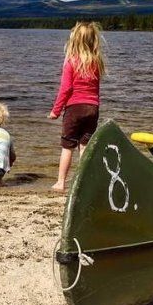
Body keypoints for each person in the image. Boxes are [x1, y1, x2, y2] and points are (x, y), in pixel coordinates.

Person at [48, 21, 106, 192]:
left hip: (74, 108)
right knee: (85, 147)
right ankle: (85, 182)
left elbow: (66, 89)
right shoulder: (96, 62)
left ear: (74, 40)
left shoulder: (71, 62)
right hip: (92, 108)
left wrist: (55, 111)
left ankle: (61, 182)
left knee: (67, 147)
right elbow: (96, 89)